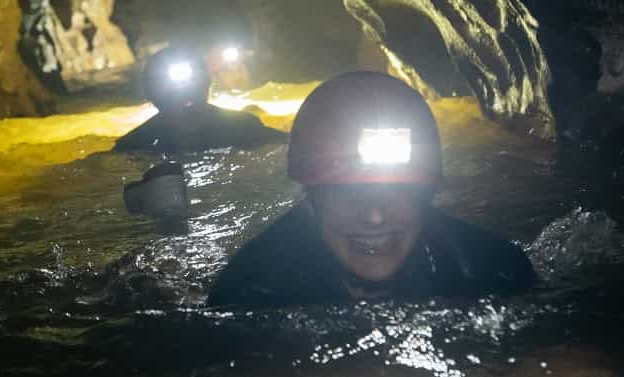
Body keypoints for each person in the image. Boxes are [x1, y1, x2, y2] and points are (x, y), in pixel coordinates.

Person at [207, 71, 536, 308]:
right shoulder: (251, 294)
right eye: (347, 193)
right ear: (309, 200)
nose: (375, 216)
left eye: (396, 192)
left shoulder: (495, 274)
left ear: (427, 195)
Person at [113, 46, 286, 153]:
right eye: (174, 95)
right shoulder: (132, 147)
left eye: (193, 89)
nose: (186, 99)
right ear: (152, 96)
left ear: (207, 84)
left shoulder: (244, 128)